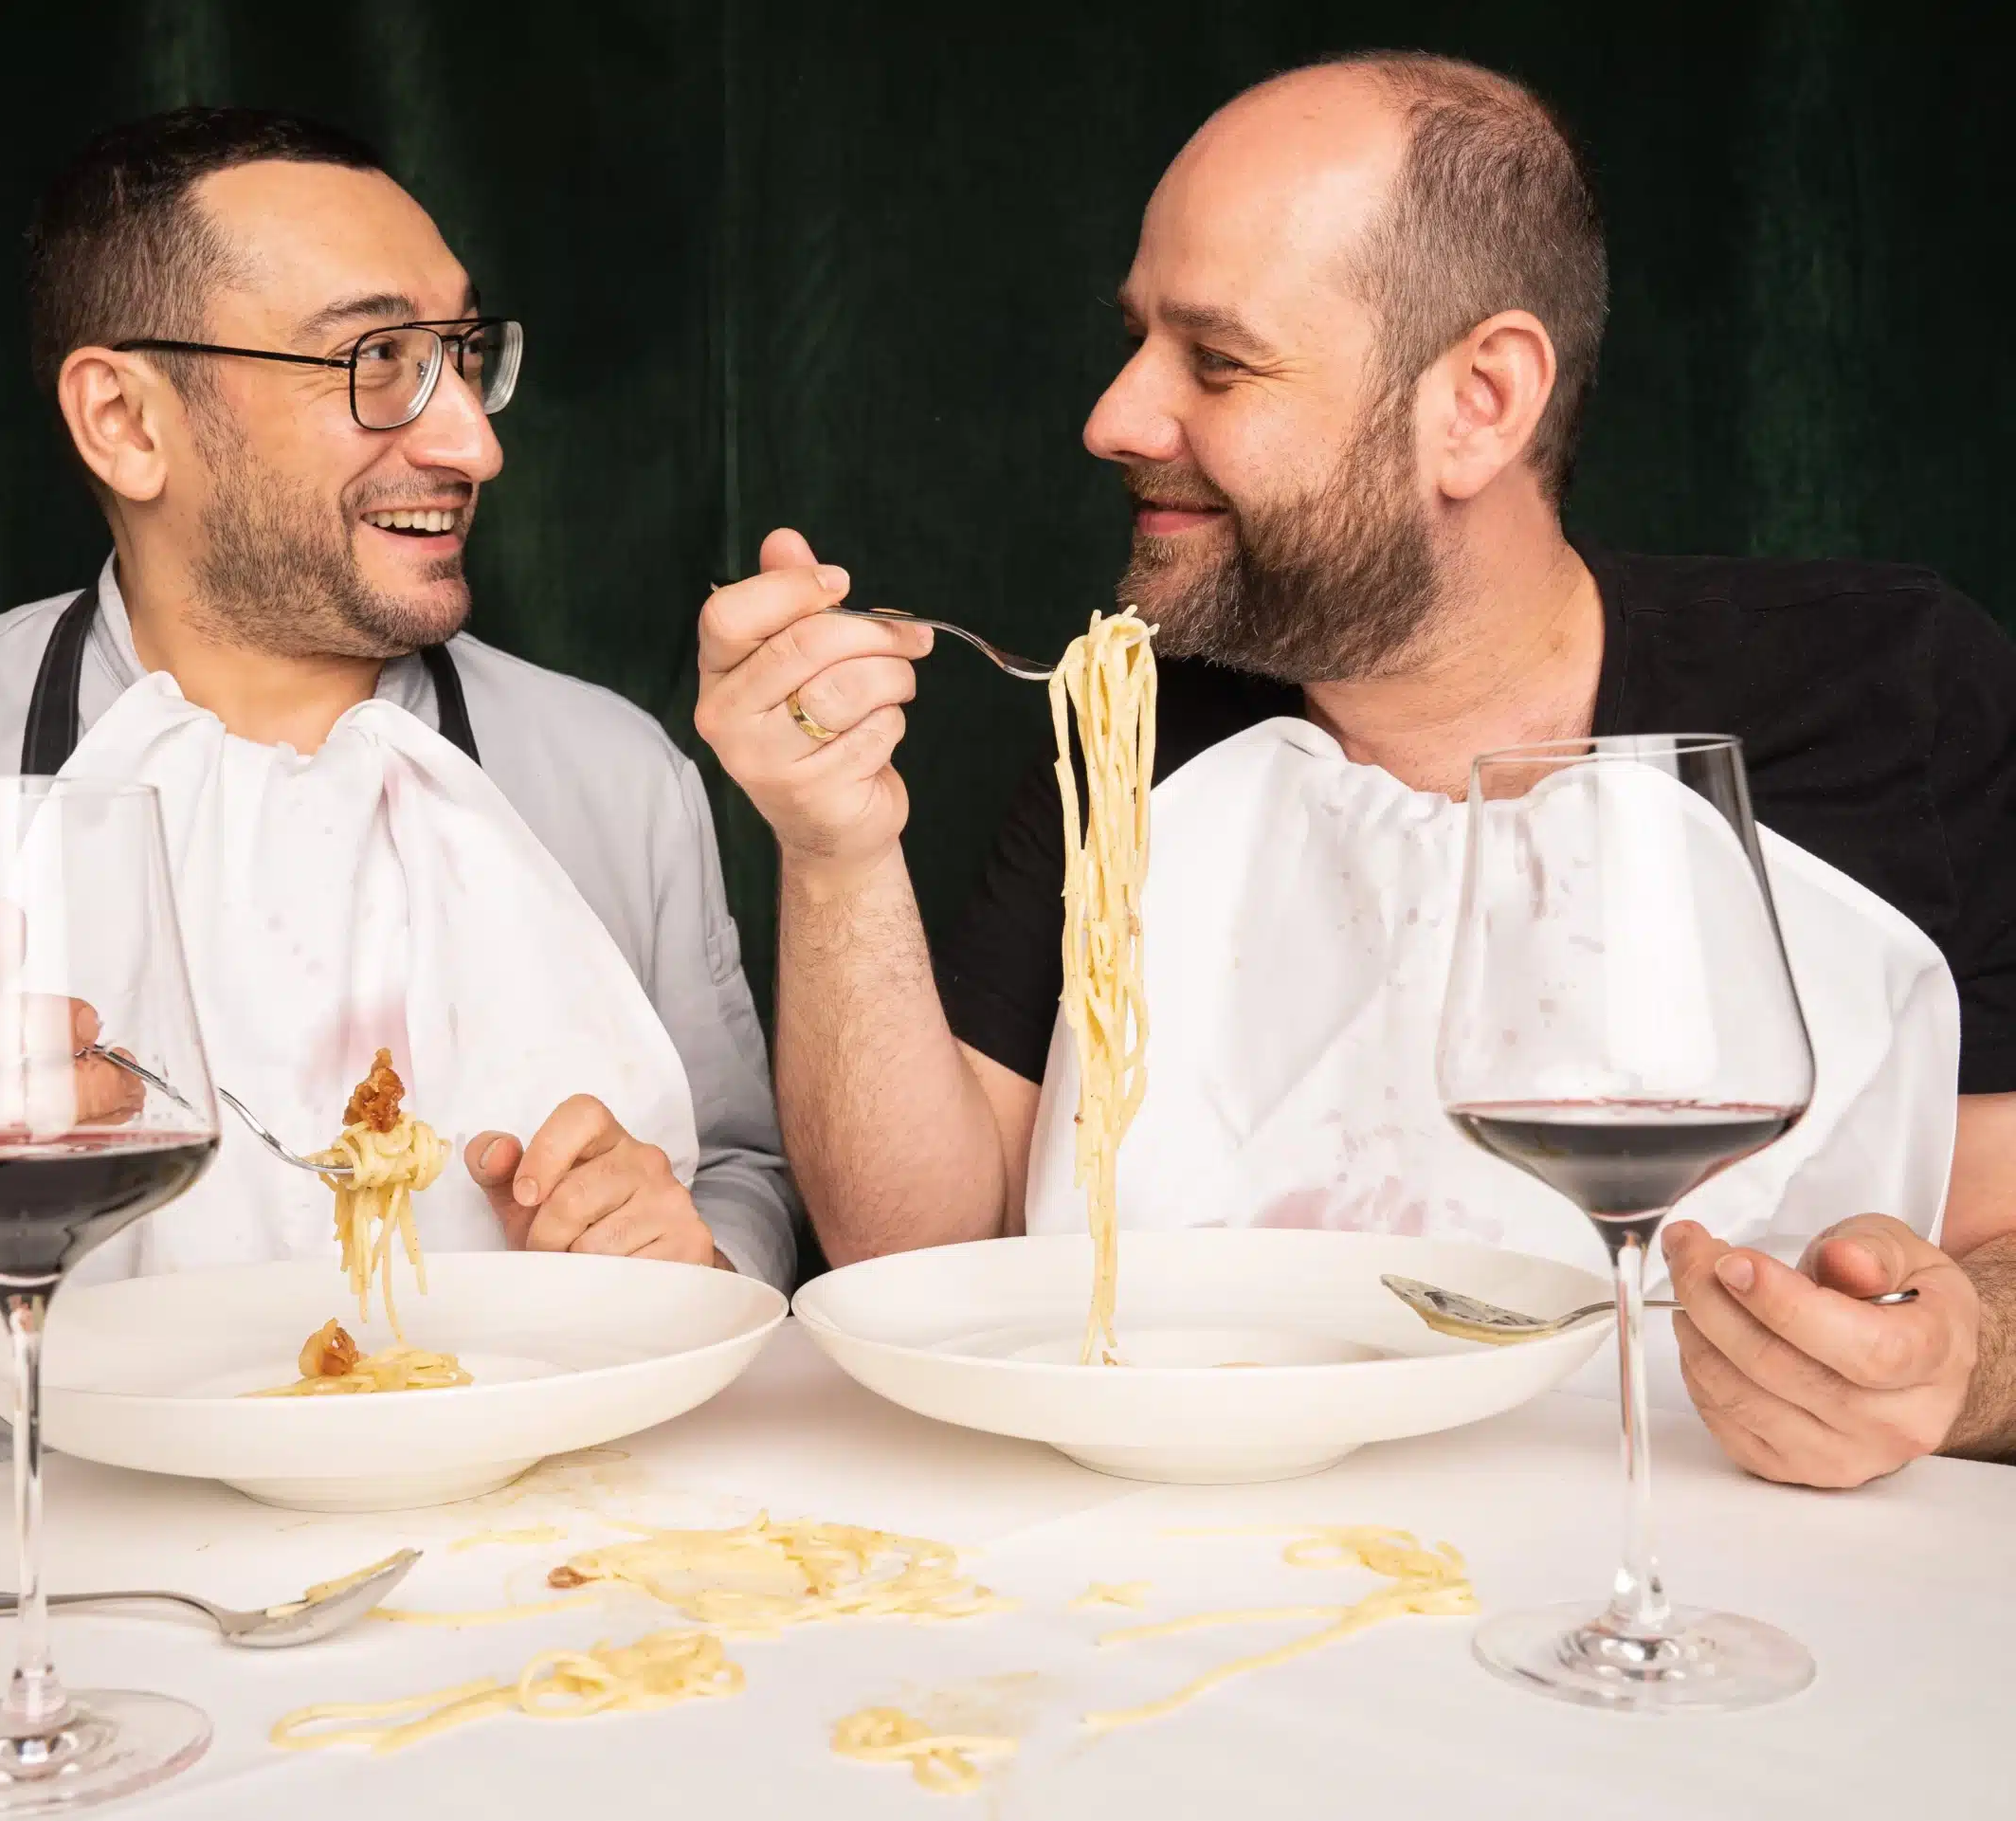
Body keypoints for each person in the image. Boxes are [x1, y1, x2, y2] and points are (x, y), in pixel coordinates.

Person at [694, 53, 2016, 1488]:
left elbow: (1996, 1262)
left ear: (1480, 401)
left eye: (1218, 359)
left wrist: (1956, 1370)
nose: (1117, 418)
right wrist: (834, 849)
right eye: (1138, 341)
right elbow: (927, 1260)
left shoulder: (1891, 695)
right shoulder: (1140, 718)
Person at [0, 107, 795, 1492]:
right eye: (377, 361)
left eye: (462, 357)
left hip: (531, 1593)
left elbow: (741, 1189)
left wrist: (688, 1258)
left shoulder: (613, 775)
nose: (471, 441)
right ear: (126, 422)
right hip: (10, 1612)